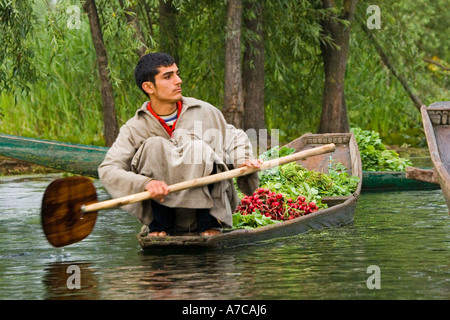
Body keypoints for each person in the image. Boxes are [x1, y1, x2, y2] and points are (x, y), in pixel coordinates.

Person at [98, 52, 261, 237]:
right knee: (154, 146)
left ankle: (208, 221)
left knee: (196, 148)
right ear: (148, 87)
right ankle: (161, 225)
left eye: (177, 73)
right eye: (168, 77)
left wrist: (243, 161)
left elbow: (236, 137)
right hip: (164, 218)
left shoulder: (205, 111)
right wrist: (146, 183)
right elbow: (109, 169)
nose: (178, 80)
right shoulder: (134, 127)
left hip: (211, 215)